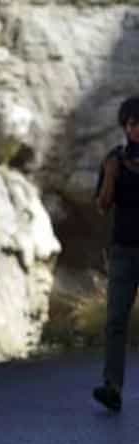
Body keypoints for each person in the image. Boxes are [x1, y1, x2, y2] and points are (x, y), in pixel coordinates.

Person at [92, 96, 139, 412]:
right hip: (124, 251)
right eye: (133, 124)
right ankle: (112, 386)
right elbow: (102, 205)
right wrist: (111, 175)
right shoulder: (115, 160)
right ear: (125, 126)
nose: (137, 129)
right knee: (116, 321)